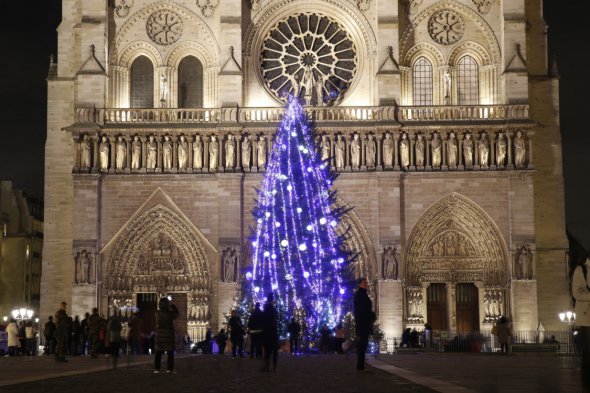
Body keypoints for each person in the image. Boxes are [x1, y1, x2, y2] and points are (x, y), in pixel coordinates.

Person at [572, 257, 590, 387]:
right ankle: (587, 382)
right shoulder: (581, 270)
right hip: (587, 318)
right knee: (588, 352)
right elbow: (577, 294)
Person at [354, 277, 375, 371]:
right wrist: (371, 316)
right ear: (359, 284)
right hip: (363, 324)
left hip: (364, 323)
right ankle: (360, 366)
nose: (366, 283)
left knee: (363, 344)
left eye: (366, 282)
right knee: (363, 344)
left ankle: (361, 366)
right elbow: (363, 310)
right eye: (364, 282)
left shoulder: (362, 294)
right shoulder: (360, 294)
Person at [154, 297, 179, 373]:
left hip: (160, 335)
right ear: (167, 305)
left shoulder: (157, 313)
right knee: (170, 353)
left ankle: (156, 369)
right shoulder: (170, 314)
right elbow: (177, 314)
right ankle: (169, 369)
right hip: (168, 335)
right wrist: (172, 306)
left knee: (158, 353)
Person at [260, 293, 279, 372]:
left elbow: (262, 321)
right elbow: (276, 321)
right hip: (273, 332)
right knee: (274, 351)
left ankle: (266, 366)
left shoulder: (265, 311)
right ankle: (274, 367)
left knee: (267, 351)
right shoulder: (274, 310)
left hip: (266, 332)